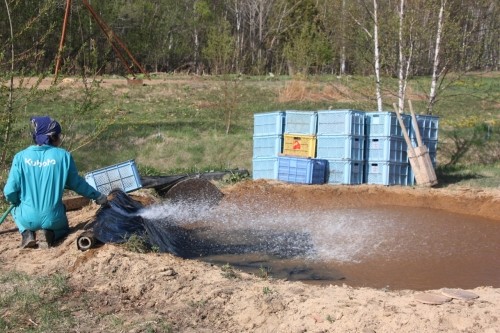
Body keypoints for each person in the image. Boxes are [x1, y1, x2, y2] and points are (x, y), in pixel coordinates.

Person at [3, 116, 108, 249]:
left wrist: (15, 201)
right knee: (62, 223)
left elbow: (9, 191)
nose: (60, 138)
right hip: (53, 218)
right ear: (52, 136)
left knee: (16, 210)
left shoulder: (20, 157)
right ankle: (51, 234)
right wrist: (98, 196)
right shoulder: (63, 156)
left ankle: (26, 233)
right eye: (59, 135)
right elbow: (77, 184)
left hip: (27, 219)